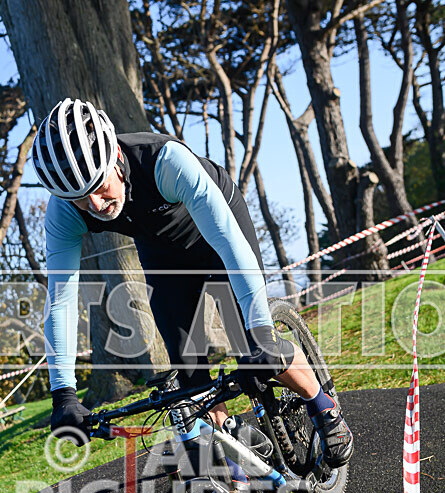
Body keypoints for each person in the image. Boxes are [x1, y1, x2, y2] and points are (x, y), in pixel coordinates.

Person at [33, 98, 353, 469]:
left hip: (217, 236)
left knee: (250, 341)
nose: (95, 203)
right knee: (191, 376)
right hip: (162, 253)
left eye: (99, 186)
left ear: (115, 158)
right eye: (79, 199)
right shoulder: (65, 211)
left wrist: (262, 331)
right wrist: (63, 393)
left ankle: (323, 406)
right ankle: (232, 449)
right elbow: (61, 301)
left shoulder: (165, 161)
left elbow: (230, 244)